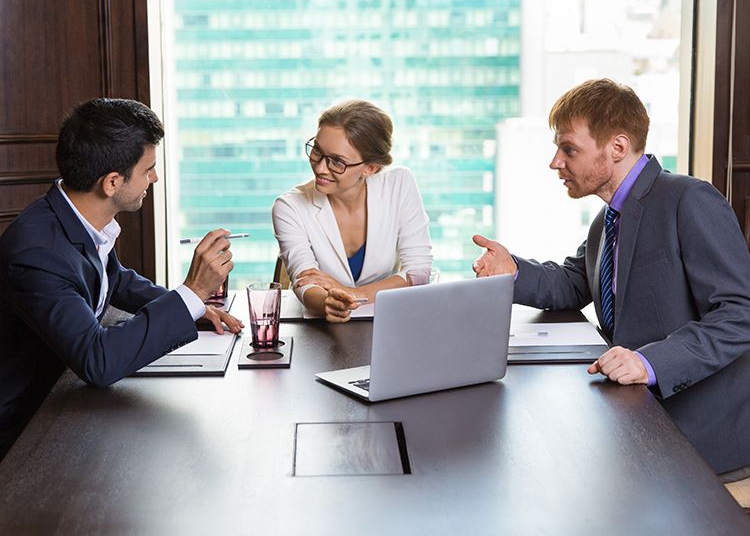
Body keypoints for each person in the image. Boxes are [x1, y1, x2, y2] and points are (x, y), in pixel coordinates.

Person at [472, 78, 750, 477]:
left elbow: (740, 314)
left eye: (569, 149)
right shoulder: (608, 219)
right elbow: (574, 282)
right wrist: (513, 270)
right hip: (633, 419)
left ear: (617, 147)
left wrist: (648, 362)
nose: (556, 162)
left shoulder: (689, 199)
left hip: (698, 434)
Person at [0, 98, 243, 460]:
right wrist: (191, 292)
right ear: (112, 182)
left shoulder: (74, 215)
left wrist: (192, 306)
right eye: (148, 169)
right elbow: (98, 362)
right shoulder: (38, 254)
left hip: (64, 401)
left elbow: (113, 279)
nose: (155, 178)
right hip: (24, 432)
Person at [272, 99, 432, 322]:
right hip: (321, 330)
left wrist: (354, 295)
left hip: (390, 322)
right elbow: (304, 280)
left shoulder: (399, 184)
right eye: (317, 151)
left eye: (337, 162)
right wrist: (327, 302)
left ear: (370, 167)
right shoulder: (289, 206)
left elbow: (419, 272)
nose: (320, 168)